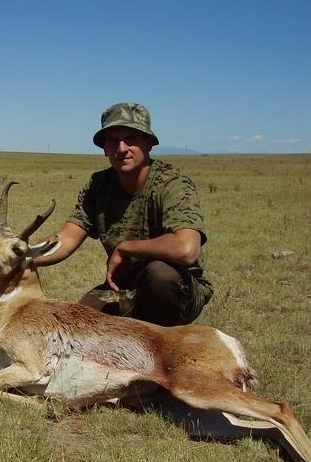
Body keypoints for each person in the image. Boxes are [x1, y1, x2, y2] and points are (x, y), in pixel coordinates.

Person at [35, 102, 213, 326]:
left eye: (131, 139)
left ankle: (164, 349)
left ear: (148, 143)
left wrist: (125, 248)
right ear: (104, 148)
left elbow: (186, 249)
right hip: (122, 287)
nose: (121, 148)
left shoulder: (172, 184)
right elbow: (68, 237)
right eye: (113, 140)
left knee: (159, 275)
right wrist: (20, 254)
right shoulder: (99, 185)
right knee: (75, 327)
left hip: (179, 288)